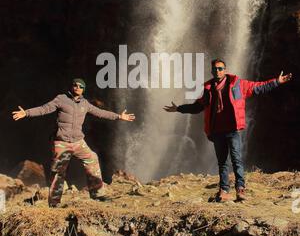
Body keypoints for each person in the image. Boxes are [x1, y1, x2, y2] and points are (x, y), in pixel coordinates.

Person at [164, 59, 292, 202]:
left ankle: (240, 189)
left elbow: (258, 87)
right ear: (212, 71)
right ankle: (224, 190)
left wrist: (277, 81)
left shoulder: (238, 84)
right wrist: (179, 108)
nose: (217, 71)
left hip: (232, 129)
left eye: (220, 68)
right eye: (215, 69)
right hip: (217, 131)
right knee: (222, 162)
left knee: (236, 159)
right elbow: (197, 107)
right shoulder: (208, 89)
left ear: (225, 69)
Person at [12, 78, 135, 207]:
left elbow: (100, 113)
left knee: (92, 158)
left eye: (80, 86)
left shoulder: (85, 104)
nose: (77, 87)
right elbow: (44, 109)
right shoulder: (61, 99)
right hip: (62, 142)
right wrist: (26, 113)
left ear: (83, 90)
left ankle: (97, 194)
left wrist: (119, 116)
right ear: (71, 87)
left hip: (78, 142)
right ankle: (54, 203)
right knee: (58, 171)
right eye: (75, 85)